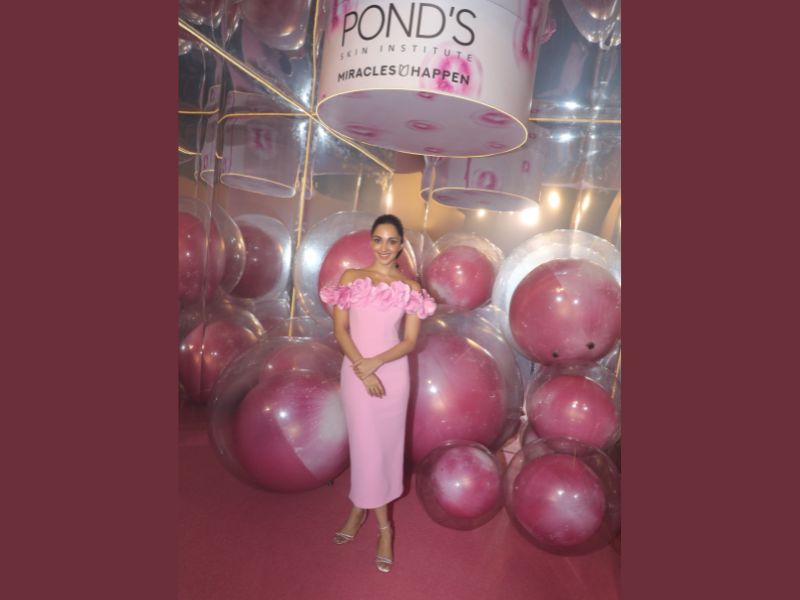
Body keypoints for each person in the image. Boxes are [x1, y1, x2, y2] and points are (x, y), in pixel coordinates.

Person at [319, 214, 436, 573]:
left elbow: (410, 341)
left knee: (385, 451)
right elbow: (341, 330)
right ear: (370, 241)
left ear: (401, 246)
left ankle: (360, 511)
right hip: (357, 374)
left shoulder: (410, 288)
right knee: (365, 447)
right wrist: (362, 366)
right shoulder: (351, 278)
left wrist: (376, 363)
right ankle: (385, 529)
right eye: (378, 239)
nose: (384, 247)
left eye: (392, 241)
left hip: (393, 375)